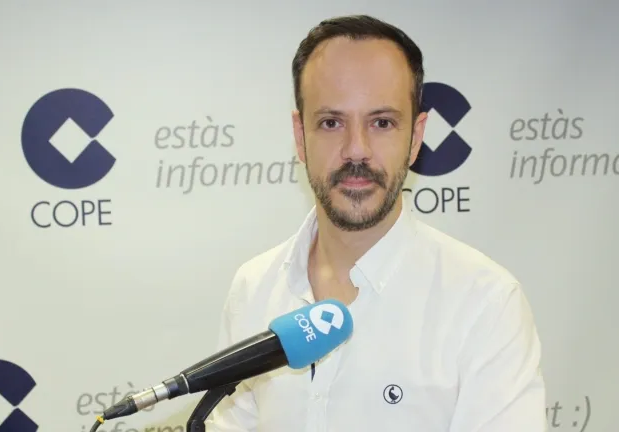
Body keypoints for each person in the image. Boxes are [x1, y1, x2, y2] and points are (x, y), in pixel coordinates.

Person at [205, 14, 546, 431]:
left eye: (382, 123)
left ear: (416, 137)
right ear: (300, 135)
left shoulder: (485, 303)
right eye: (331, 123)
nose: (356, 150)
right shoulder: (252, 287)